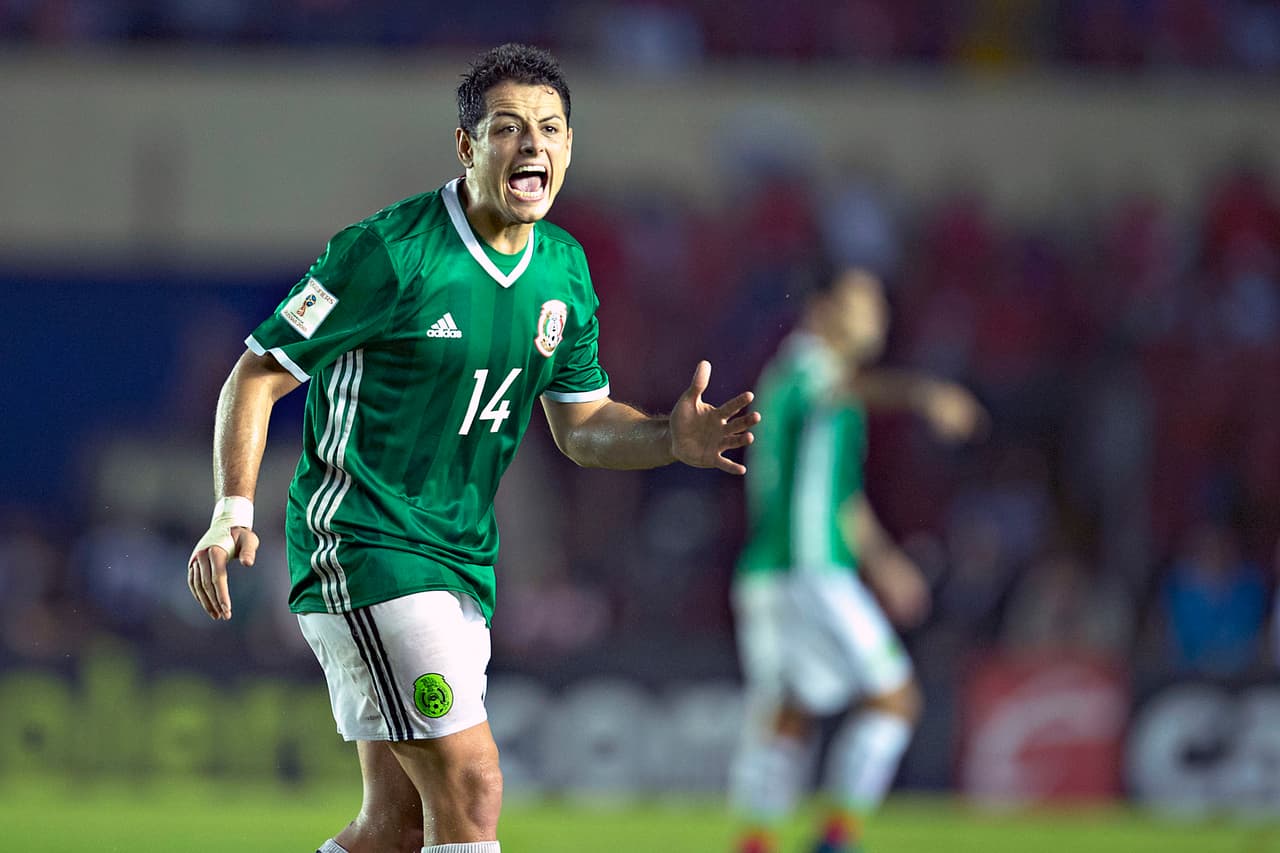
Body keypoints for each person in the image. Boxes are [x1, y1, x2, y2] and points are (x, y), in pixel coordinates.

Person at [186, 43, 759, 853]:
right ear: (467, 146)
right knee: (476, 784)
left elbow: (583, 425)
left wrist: (668, 437)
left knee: (396, 826)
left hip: (461, 563)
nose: (533, 146)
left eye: (552, 128)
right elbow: (255, 375)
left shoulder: (563, 268)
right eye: (508, 128)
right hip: (366, 544)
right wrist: (230, 509)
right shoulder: (390, 251)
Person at [729, 264, 985, 853]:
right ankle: (835, 839)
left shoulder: (816, 383)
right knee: (895, 700)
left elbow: (837, 498)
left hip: (790, 570)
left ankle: (760, 841)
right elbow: (844, 391)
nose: (876, 317)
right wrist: (925, 393)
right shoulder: (808, 367)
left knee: (788, 714)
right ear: (821, 310)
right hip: (807, 573)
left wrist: (884, 560)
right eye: (860, 303)